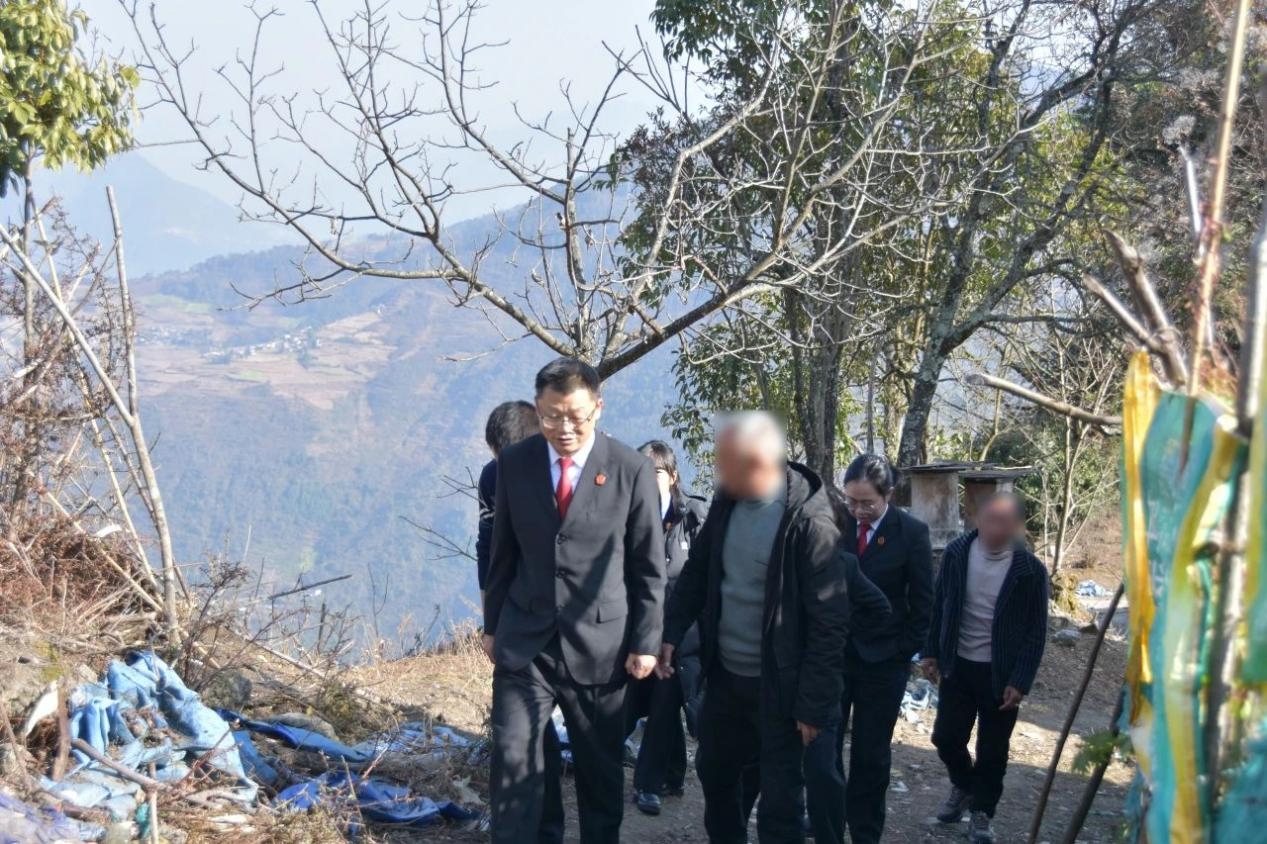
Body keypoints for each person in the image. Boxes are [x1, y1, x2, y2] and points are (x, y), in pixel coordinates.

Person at [483, 357, 665, 844]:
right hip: (527, 638)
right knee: (514, 757)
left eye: (576, 417)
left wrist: (646, 641)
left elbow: (648, 565)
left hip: (601, 645)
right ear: (537, 408)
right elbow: (503, 552)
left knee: (598, 770)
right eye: (551, 416)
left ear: (598, 408)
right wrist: (492, 625)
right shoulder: (515, 464)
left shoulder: (630, 469)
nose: (563, 428)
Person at [658, 411, 854, 844]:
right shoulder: (728, 501)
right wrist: (671, 632)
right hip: (726, 679)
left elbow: (829, 624)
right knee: (715, 776)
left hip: (781, 687)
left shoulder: (810, 523)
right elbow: (698, 572)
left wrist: (813, 705)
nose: (719, 471)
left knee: (781, 804)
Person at [807, 455, 933, 844]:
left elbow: (923, 603)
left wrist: (902, 650)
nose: (859, 511)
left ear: (888, 495)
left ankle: (864, 830)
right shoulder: (837, 526)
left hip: (884, 661)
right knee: (824, 748)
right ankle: (828, 819)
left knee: (871, 753)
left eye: (868, 503)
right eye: (852, 501)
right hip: (835, 656)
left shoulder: (911, 533)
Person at [922, 494, 1049, 844]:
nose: (995, 529)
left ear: (1018, 527)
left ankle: (982, 812)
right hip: (959, 665)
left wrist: (1020, 680)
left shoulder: (1029, 571)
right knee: (946, 738)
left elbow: (1036, 631)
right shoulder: (957, 553)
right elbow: (940, 603)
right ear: (976, 518)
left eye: (1004, 522)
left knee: (993, 749)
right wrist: (930, 651)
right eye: (989, 519)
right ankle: (964, 785)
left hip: (1001, 674)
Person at [476, 400, 565, 843]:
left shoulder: (568, 474)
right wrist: (491, 624)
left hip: (579, 626)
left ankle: (550, 826)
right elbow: (488, 548)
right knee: (521, 734)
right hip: (519, 621)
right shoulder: (493, 478)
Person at [626, 440, 709, 817]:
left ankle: (647, 783)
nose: (647, 479)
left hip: (685, 634)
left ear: (673, 476)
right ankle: (673, 774)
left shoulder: (694, 516)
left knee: (664, 697)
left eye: (656, 471)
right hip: (642, 629)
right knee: (645, 702)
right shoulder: (628, 516)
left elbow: (703, 579)